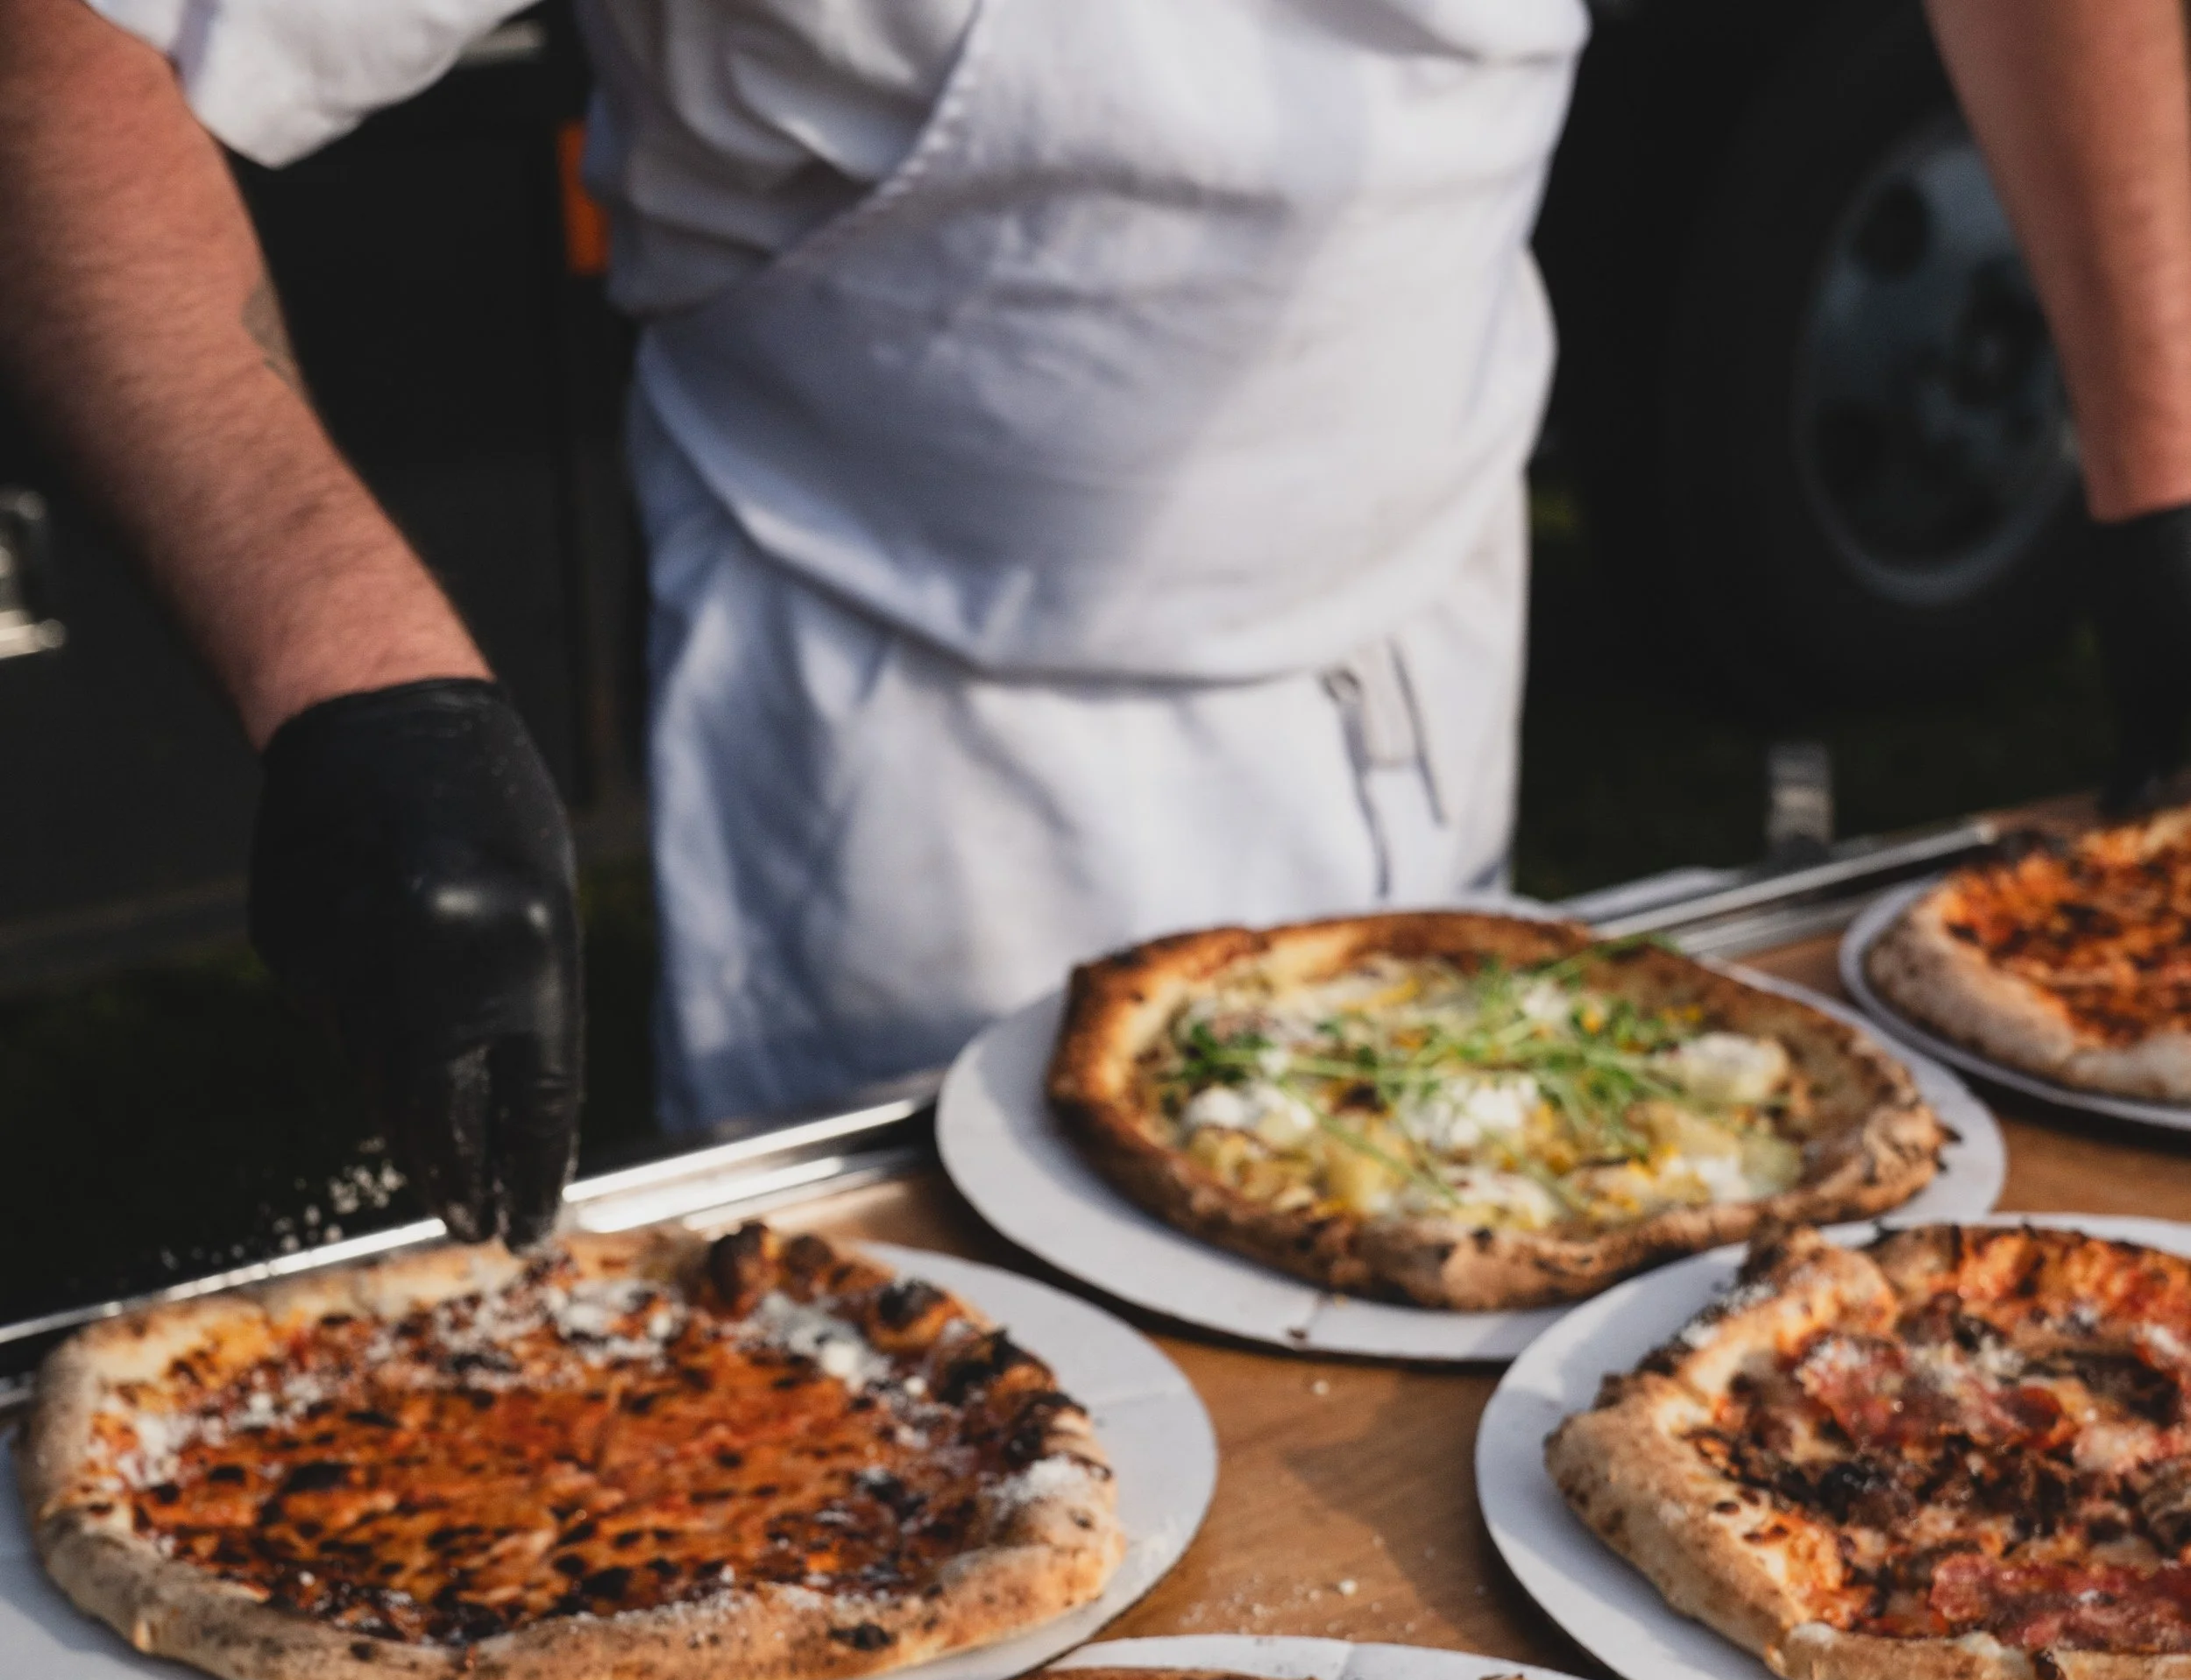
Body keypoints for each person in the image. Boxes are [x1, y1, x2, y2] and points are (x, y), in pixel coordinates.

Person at [3, 1, 2189, 1249]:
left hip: (1408, 638)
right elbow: (68, 63)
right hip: (907, 731)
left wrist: (2163, 477)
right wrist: (347, 663)